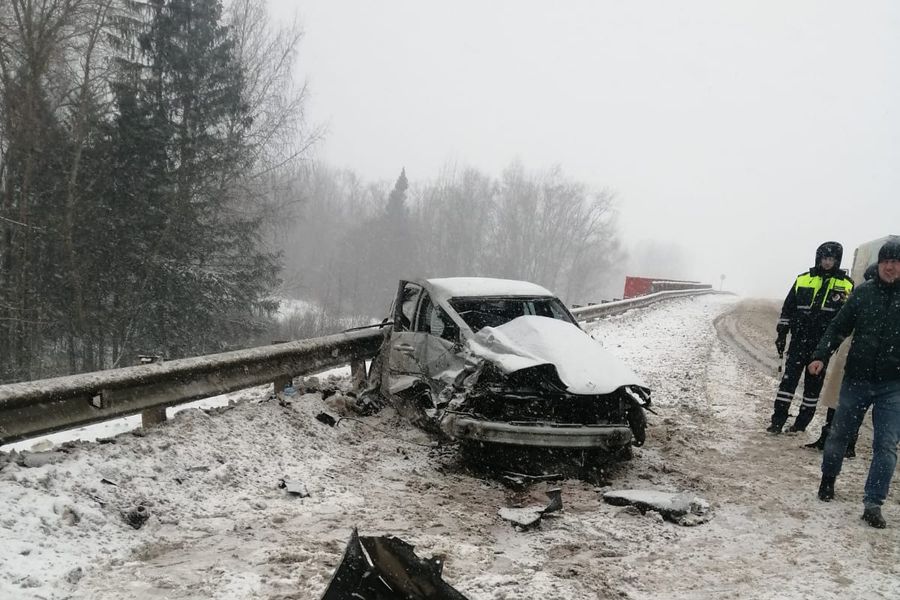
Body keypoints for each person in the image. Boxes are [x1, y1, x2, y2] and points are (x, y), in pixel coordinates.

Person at [810, 239, 900, 528]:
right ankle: (828, 479)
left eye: (896, 262)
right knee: (840, 434)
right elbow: (838, 327)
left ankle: (873, 503)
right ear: (880, 263)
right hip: (857, 379)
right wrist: (821, 355)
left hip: (893, 385)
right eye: (887, 260)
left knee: (886, 445)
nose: (891, 266)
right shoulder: (863, 294)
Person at [767, 241, 854, 433]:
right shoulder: (803, 279)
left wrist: (834, 344)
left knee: (812, 388)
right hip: (798, 341)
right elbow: (788, 308)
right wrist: (782, 333)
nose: (827, 262)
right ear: (818, 258)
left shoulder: (846, 285)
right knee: (787, 384)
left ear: (837, 260)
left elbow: (847, 319)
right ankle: (777, 421)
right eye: (824, 258)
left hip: (821, 346)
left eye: (831, 259)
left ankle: (800, 424)